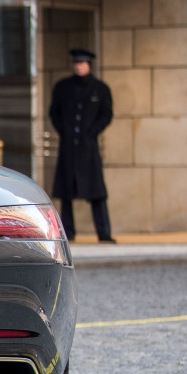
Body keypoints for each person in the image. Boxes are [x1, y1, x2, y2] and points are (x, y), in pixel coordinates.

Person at [49, 48, 115, 243]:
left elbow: (106, 114)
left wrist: (92, 131)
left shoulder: (100, 89)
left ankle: (104, 232)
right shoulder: (62, 87)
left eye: (82, 63)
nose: (78, 66)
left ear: (89, 65)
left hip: (88, 147)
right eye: (76, 63)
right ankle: (68, 232)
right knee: (66, 191)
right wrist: (64, 130)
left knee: (97, 192)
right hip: (68, 147)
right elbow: (54, 113)